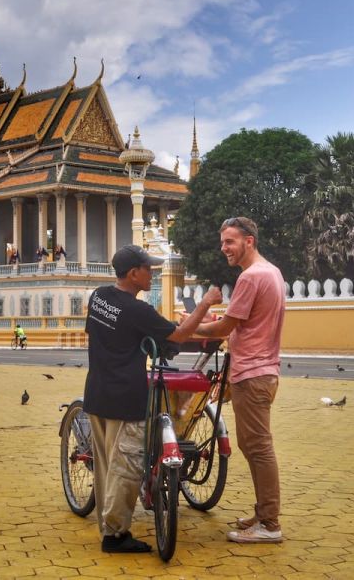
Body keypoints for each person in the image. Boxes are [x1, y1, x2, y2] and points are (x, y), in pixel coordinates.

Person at [83, 244, 209, 554]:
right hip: (126, 399)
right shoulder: (137, 310)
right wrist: (204, 305)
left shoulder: (98, 297)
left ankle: (108, 524)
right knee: (126, 468)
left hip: (97, 394)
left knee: (105, 467)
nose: (152, 273)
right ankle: (114, 536)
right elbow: (179, 335)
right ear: (133, 273)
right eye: (147, 268)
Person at [192, 217, 286, 544]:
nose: (224, 249)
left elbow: (223, 330)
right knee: (253, 444)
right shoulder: (272, 273)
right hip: (263, 371)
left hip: (252, 372)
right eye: (222, 243)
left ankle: (270, 525)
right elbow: (241, 321)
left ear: (249, 241)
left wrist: (189, 328)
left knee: (258, 447)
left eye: (230, 242)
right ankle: (263, 513)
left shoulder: (250, 277)